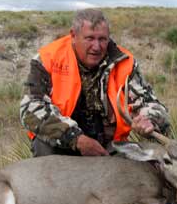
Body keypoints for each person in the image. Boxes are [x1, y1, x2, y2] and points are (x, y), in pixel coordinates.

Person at [20, 8, 169, 157]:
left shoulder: (124, 62)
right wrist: (76, 139)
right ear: (73, 35)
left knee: (156, 158)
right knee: (43, 143)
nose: (97, 47)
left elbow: (153, 105)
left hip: (109, 148)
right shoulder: (48, 59)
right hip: (65, 144)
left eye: (102, 39)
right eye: (89, 38)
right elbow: (30, 108)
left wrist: (148, 120)